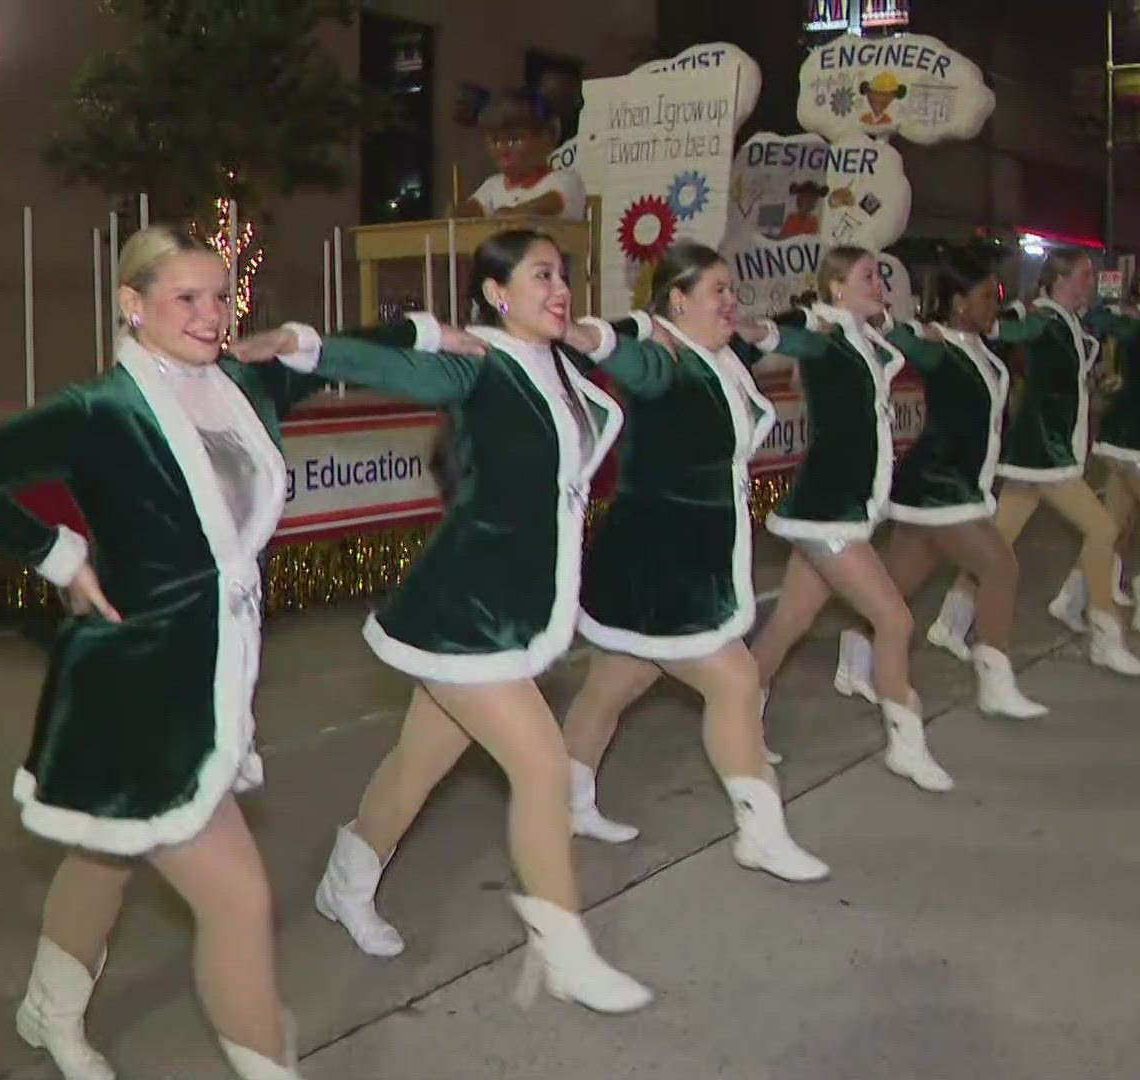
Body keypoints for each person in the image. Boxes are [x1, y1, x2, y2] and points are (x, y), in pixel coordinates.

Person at [0, 225, 476, 1080]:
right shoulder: (101, 410)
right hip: (132, 688)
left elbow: (346, 347)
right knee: (240, 900)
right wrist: (59, 557)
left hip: (212, 675)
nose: (213, 315)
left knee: (105, 855)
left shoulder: (244, 385)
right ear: (132, 306)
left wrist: (438, 333)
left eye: (221, 296)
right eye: (188, 298)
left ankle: (47, 1010)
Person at [234, 229, 650, 1015]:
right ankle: (565, 950)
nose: (559, 289)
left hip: (513, 609)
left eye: (563, 276)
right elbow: (390, 365)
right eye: (539, 277)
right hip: (463, 613)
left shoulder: (563, 370)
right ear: (495, 294)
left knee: (416, 764)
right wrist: (304, 344)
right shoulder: (481, 362)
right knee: (542, 770)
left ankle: (344, 881)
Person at [547, 242, 828, 882]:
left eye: (733, 290)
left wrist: (760, 326)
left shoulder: (721, 354)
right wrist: (585, 330)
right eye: (718, 291)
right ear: (677, 298)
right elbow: (620, 351)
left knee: (614, 684)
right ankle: (761, 833)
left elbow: (810, 345)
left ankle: (566, 800)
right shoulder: (663, 358)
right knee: (734, 682)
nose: (731, 300)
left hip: (691, 552)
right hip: (661, 563)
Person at [746, 246, 956, 793]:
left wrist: (902, 325)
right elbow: (776, 336)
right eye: (868, 277)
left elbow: (921, 355)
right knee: (895, 622)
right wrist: (763, 323)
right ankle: (905, 744)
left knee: (789, 622)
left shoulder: (867, 339)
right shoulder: (822, 335)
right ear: (836, 288)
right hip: (827, 511)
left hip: (843, 507)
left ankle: (738, 718)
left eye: (881, 275)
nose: (880, 284)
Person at [828, 243, 1049, 719]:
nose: (995, 304)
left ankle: (855, 649)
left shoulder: (981, 347)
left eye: (997, 295)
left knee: (895, 590)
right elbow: (891, 330)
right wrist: (875, 317)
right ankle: (995, 682)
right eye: (987, 296)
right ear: (958, 303)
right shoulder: (934, 345)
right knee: (999, 569)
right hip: (938, 486)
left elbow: (1024, 325)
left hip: (955, 485)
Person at [978, 248, 1140, 676]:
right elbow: (1003, 330)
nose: (1092, 282)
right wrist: (1001, 310)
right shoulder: (1045, 319)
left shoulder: (1070, 322)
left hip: (1047, 450)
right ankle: (1105, 635)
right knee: (1103, 529)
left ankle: (952, 621)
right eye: (1085, 275)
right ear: (1059, 278)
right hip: (1046, 452)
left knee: (994, 545)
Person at [1039, 264, 1140, 641]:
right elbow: (1103, 323)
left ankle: (1070, 598)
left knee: (1109, 529)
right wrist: (1109, 314)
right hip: (1130, 443)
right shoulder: (1134, 324)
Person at [457, 90, 587, 220]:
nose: (503, 150)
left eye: (514, 140)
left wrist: (513, 213)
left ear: (547, 139)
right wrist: (456, 213)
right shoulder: (493, 185)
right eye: (495, 142)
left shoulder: (565, 180)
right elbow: (473, 209)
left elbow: (550, 204)